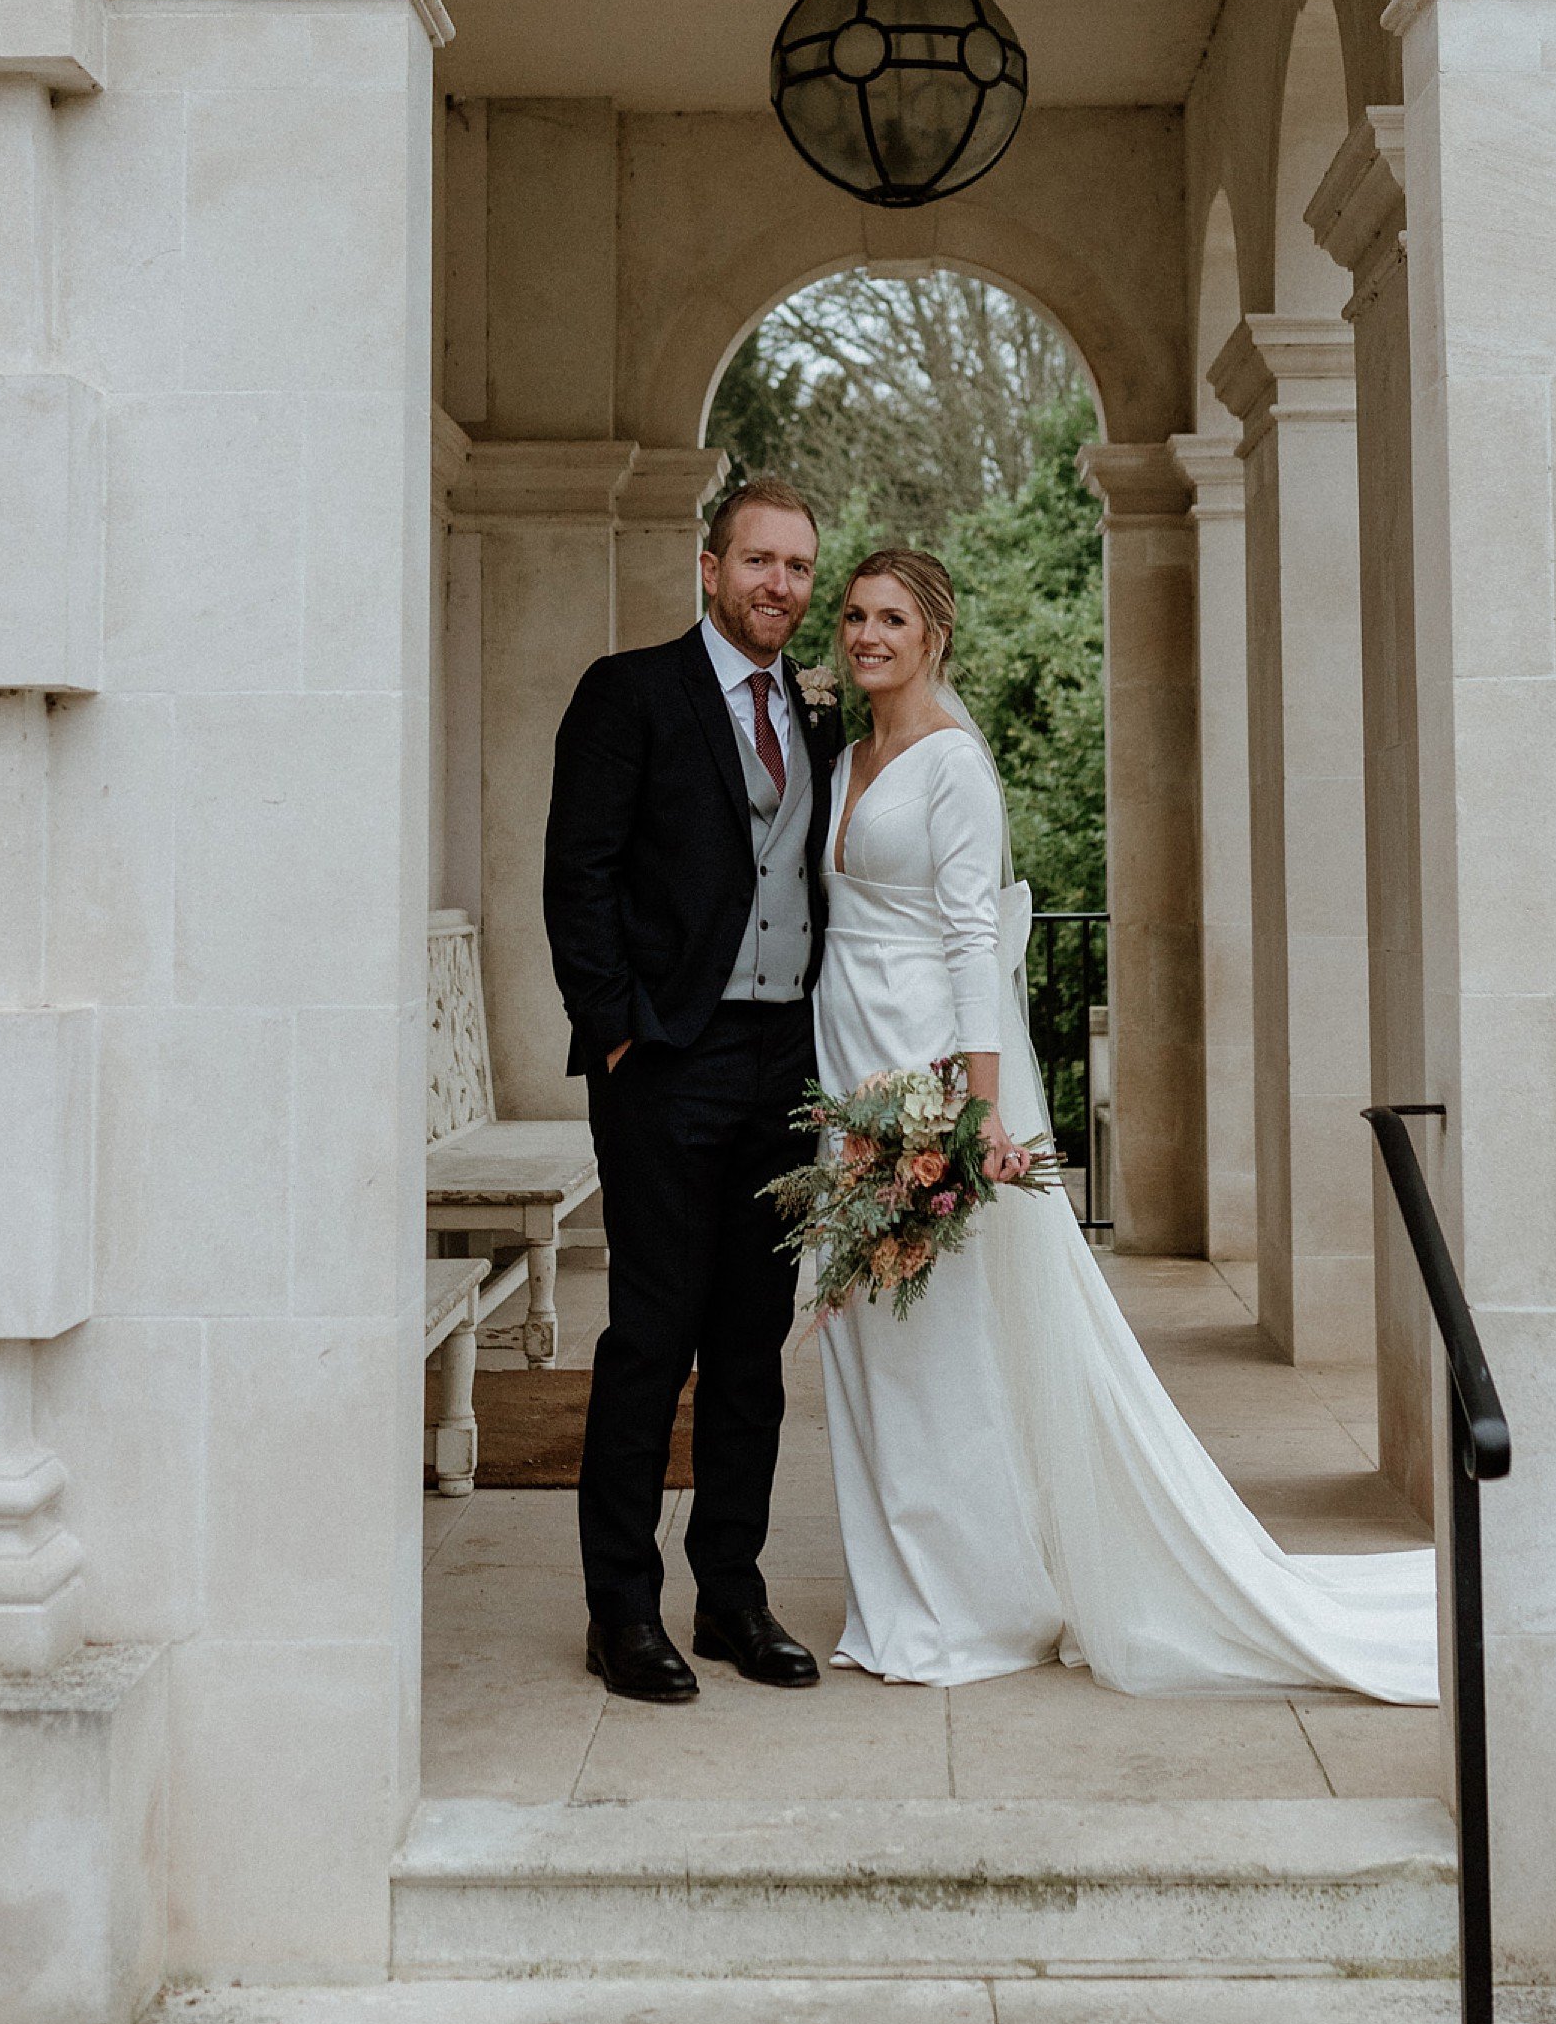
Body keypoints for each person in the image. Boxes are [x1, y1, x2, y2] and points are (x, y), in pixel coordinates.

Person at [815, 544, 1438, 1701]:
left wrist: (977, 1116)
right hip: (844, 1074)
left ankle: (970, 1601)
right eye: (854, 614)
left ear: (933, 632)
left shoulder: (952, 764)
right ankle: (897, 1589)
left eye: (890, 618)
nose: (865, 635)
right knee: (868, 1345)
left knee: (943, 1343)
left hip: (927, 1083)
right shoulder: (849, 751)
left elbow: (967, 940)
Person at [542, 476, 844, 1704]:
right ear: (709, 567)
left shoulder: (820, 716)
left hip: (784, 1061)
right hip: (668, 1062)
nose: (780, 585)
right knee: (647, 1340)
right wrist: (619, 1037)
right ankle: (622, 1609)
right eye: (759, 561)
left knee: (751, 1348)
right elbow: (580, 876)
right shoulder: (630, 692)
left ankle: (730, 1594)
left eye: (799, 568)